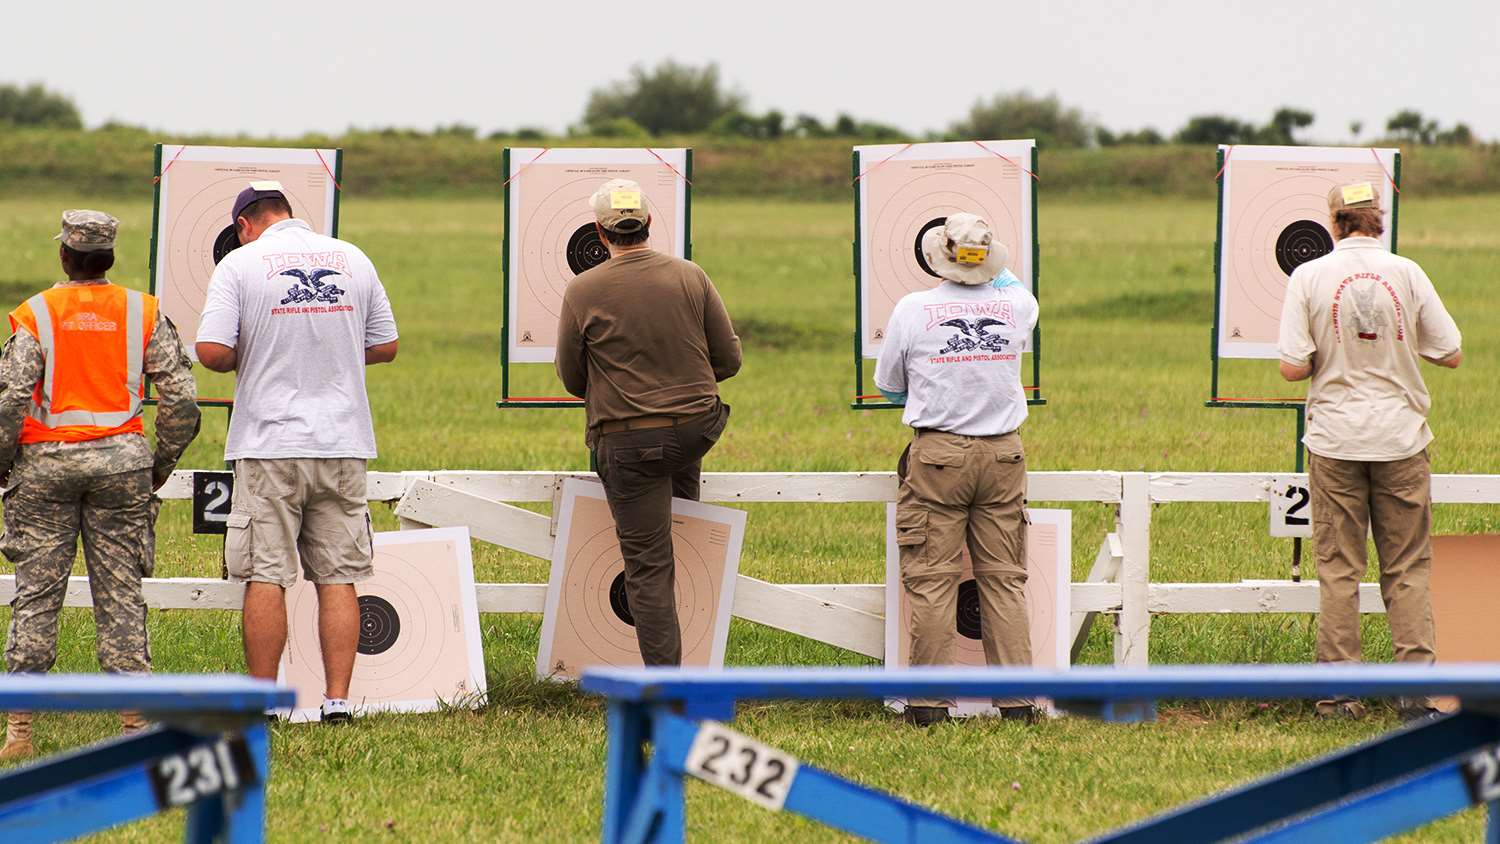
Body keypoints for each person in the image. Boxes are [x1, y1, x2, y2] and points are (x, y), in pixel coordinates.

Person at [0, 210, 200, 759]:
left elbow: (13, 397)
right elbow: (181, 397)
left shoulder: (35, 313)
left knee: (37, 593)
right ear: (109, 258)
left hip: (43, 469)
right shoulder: (142, 311)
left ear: (64, 254)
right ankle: (135, 728)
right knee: (121, 594)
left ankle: (19, 732)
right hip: (122, 468)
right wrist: (159, 462)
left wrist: (2, 463)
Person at [196, 182, 398, 723]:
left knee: (267, 574)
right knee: (338, 576)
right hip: (342, 440)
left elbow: (212, 351)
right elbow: (386, 344)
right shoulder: (353, 258)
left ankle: (264, 704)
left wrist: (257, 348)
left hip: (269, 443)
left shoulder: (239, 266)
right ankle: (336, 702)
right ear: (288, 215)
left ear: (244, 225)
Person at [1278, 181, 1461, 721]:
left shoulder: (1309, 276)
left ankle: (1338, 695)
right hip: (1400, 436)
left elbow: (1292, 366)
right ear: (1378, 219)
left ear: (1334, 222)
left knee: (1339, 567)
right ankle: (1416, 696)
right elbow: (1450, 351)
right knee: (1407, 567)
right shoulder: (1407, 272)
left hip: (1335, 437)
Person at [555, 178, 740, 667]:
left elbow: (573, 380)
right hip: (695, 430)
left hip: (630, 443)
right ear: (650, 224)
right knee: (684, 538)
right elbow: (728, 359)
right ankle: (700, 660)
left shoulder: (582, 289)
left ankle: (667, 691)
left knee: (650, 568)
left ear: (598, 232)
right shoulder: (691, 276)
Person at [874, 213, 1039, 726]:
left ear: (938, 255)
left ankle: (927, 707)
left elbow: (888, 385)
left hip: (939, 456)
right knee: (1004, 580)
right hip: (1004, 455)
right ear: (989, 257)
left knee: (932, 579)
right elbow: (1010, 282)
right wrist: (993, 261)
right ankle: (1018, 706)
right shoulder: (1017, 305)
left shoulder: (913, 308)